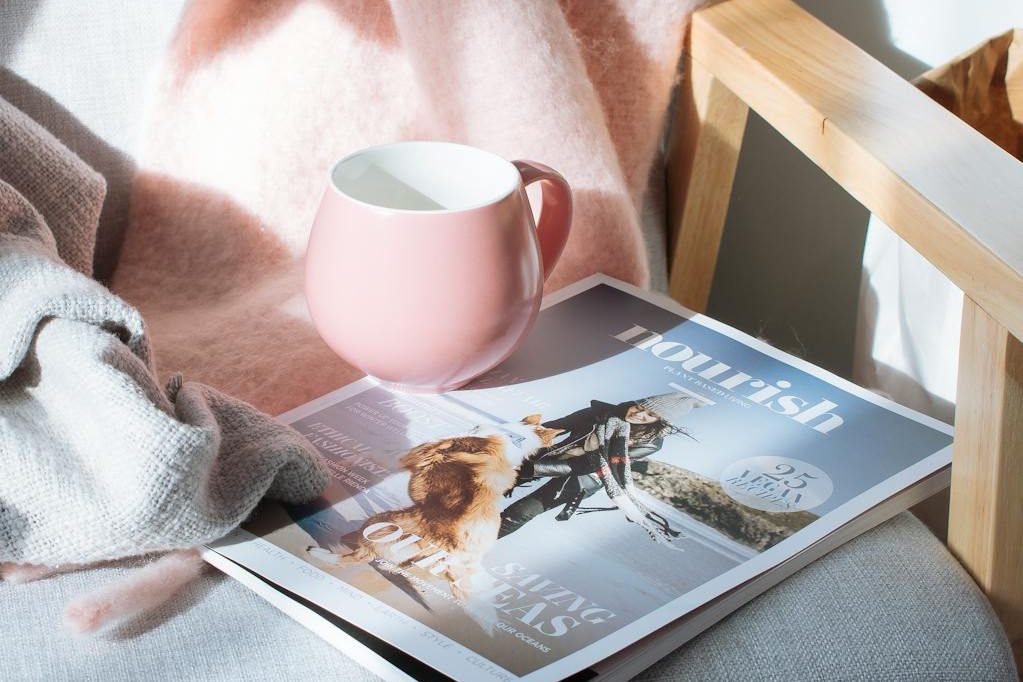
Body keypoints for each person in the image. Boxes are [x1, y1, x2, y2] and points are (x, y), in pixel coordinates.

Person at [498, 392, 702, 540]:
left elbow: (587, 465)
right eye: (639, 407)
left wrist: (533, 469)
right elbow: (556, 426)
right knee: (485, 483)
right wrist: (511, 438)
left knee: (522, 512)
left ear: (661, 421)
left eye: (650, 415)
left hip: (585, 476)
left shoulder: (650, 443)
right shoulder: (601, 413)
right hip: (555, 456)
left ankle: (469, 546)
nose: (639, 415)